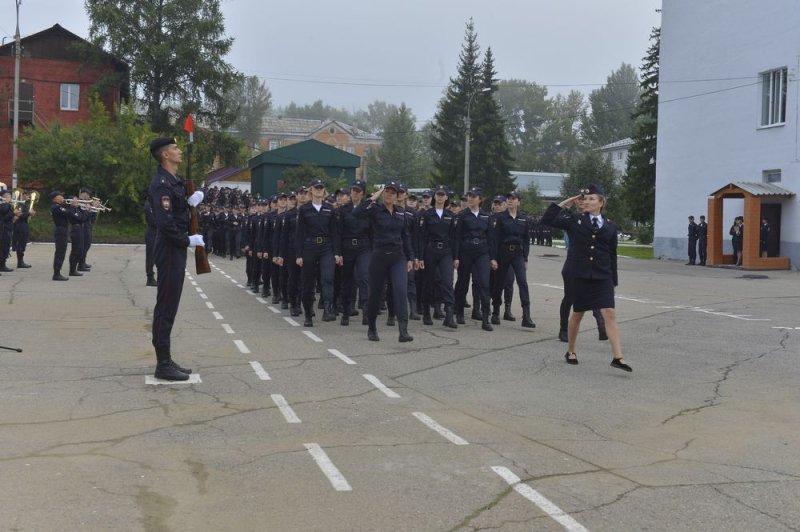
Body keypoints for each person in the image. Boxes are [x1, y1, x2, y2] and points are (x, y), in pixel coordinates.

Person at [541, 184, 632, 372]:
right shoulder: (575, 220)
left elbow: (612, 253)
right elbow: (548, 219)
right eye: (586, 199)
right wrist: (568, 202)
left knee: (609, 312)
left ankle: (618, 357)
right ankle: (571, 350)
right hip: (580, 274)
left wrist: (613, 279)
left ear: (601, 202)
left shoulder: (610, 226)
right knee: (578, 314)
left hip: (602, 275)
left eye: (592, 199)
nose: (587, 201)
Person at [148, 137, 205, 381]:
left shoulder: (173, 182)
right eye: (174, 148)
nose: (179, 151)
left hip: (175, 249)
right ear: (165, 155)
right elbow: (165, 222)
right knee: (166, 306)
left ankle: (167, 359)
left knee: (170, 305)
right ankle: (163, 364)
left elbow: (177, 206)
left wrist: (188, 199)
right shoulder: (161, 184)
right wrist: (187, 240)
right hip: (170, 249)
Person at [353, 181, 415, 342]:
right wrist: (374, 196)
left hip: (398, 257)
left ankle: (403, 331)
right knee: (375, 294)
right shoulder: (374, 210)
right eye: (387, 191)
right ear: (383, 193)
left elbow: (406, 236)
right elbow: (357, 213)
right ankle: (372, 327)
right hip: (379, 256)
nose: (389, 194)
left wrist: (410, 258)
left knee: (401, 291)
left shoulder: (401, 212)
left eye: (393, 192)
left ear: (397, 196)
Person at [295, 179, 341, 327]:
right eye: (316, 188)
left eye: (321, 188)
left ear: (324, 191)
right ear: (311, 190)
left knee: (328, 278)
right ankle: (308, 314)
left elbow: (335, 232)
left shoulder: (330, 209)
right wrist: (299, 254)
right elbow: (299, 233)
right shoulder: (304, 209)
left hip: (326, 247)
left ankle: (328, 309)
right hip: (309, 247)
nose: (319, 190)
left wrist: (337, 252)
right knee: (308, 283)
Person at [454, 187, 496, 332]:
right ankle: (459, 312)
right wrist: (456, 257)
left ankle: (485, 318)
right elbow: (457, 237)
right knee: (463, 283)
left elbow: (491, 238)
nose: (471, 198)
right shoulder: (462, 215)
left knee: (483, 283)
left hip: (482, 253)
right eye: (469, 196)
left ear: (481, 199)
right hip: (466, 251)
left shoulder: (486, 216)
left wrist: (493, 258)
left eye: (474, 196)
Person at [491, 190, 535, 328]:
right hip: (503, 253)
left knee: (522, 282)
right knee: (499, 282)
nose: (510, 200)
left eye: (513, 198)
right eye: (509, 198)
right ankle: (496, 311)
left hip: (518, 254)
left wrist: (525, 257)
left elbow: (526, 239)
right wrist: (493, 258)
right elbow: (495, 239)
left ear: (518, 202)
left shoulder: (523, 218)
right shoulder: (500, 217)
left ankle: (526, 315)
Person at [417, 184, 458, 328]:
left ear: (446, 197)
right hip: (430, 251)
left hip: (446, 252)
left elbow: (454, 238)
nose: (440, 197)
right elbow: (421, 237)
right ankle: (427, 312)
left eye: (443, 195)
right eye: (438, 194)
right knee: (429, 282)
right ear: (435, 197)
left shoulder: (450, 216)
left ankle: (449, 315)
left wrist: (456, 257)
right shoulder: (427, 215)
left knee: (447, 282)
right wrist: (420, 257)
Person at [337, 180, 372, 326]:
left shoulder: (368, 209)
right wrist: (337, 252)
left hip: (363, 248)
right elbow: (338, 232)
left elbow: (372, 230)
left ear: (363, 193)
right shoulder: (344, 209)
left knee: (364, 277)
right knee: (347, 281)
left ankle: (365, 310)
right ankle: (346, 311)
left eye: (358, 191)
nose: (354, 193)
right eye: (353, 190)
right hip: (347, 248)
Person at [50, 191, 81, 281]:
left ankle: (57, 273)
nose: (62, 197)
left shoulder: (60, 206)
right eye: (60, 196)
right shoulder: (55, 207)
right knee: (60, 252)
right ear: (55, 198)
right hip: (60, 231)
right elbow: (69, 213)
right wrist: (72, 206)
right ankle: (56, 274)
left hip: (63, 230)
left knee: (62, 252)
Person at [67, 196, 88, 277]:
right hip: (75, 230)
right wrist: (86, 211)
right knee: (75, 251)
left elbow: (84, 218)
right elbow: (81, 218)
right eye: (75, 200)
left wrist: (87, 210)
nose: (77, 202)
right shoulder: (71, 209)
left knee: (80, 250)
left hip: (80, 229)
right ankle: (72, 270)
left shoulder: (77, 209)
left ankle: (74, 269)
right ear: (71, 201)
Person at [12, 190, 31, 268]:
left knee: (23, 243)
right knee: (21, 243)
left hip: (24, 224)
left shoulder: (25, 204)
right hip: (20, 226)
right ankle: (20, 262)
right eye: (25, 195)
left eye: (28, 195)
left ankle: (21, 261)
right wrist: (29, 213)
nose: (27, 197)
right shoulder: (20, 204)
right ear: (22, 195)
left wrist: (29, 214)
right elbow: (19, 214)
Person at [144, 189, 158, 286]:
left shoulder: (154, 204)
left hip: (157, 232)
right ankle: (150, 277)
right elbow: (152, 220)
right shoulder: (148, 205)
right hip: (152, 233)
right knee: (150, 256)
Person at [0, 191, 14, 272]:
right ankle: (2, 265)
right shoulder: (2, 205)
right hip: (3, 229)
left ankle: (3, 264)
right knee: (3, 247)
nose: (10, 197)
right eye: (8, 196)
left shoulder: (7, 205)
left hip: (8, 228)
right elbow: (4, 217)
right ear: (3, 197)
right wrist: (7, 203)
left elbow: (8, 216)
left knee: (6, 247)